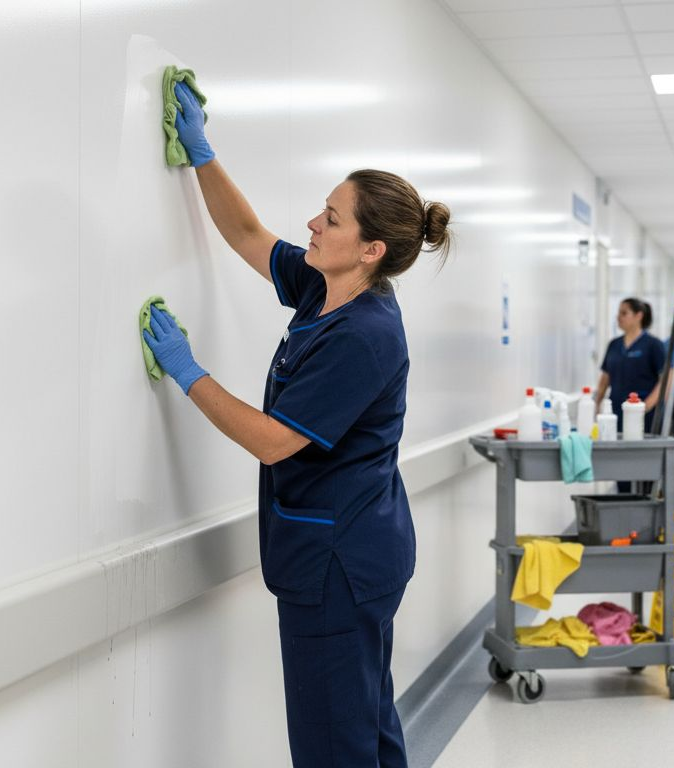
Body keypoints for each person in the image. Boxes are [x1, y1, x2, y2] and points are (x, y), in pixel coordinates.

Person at [145, 81, 451, 765]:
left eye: (332, 218)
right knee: (365, 727)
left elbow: (272, 440)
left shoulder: (362, 334)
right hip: (350, 549)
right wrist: (201, 151)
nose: (314, 224)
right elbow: (249, 236)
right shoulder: (326, 286)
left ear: (370, 250)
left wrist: (187, 370)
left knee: (332, 746)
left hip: (338, 565)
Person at [594, 298, 665, 430]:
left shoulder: (653, 345)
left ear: (639, 316)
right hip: (615, 410)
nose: (618, 317)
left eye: (624, 313)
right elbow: (605, 378)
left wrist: (646, 406)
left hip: (643, 414)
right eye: (618, 313)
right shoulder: (614, 345)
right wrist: (597, 403)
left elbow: (665, 381)